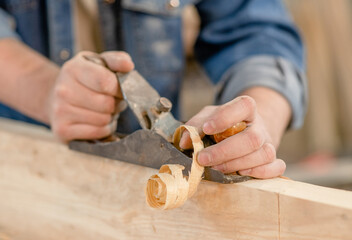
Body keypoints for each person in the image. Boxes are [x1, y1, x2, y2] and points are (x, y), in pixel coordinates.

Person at [0, 0, 307, 179]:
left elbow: (256, 29)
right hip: (23, 170)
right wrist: (44, 89)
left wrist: (258, 114)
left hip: (158, 184)